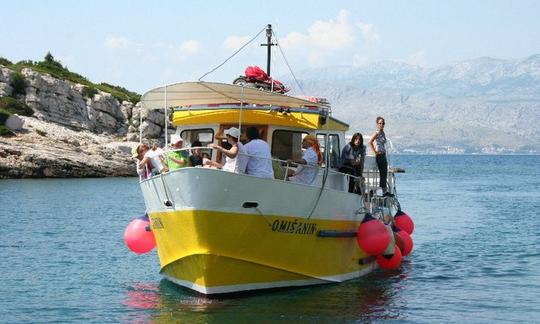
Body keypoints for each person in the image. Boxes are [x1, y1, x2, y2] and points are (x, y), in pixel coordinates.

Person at [369, 117, 391, 196]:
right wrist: (375, 152)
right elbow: (370, 141)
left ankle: (382, 191)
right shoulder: (377, 132)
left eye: (383, 123)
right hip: (379, 155)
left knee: (384, 174)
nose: (381, 125)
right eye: (380, 123)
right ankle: (383, 192)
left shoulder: (382, 133)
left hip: (383, 154)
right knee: (382, 173)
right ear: (377, 124)